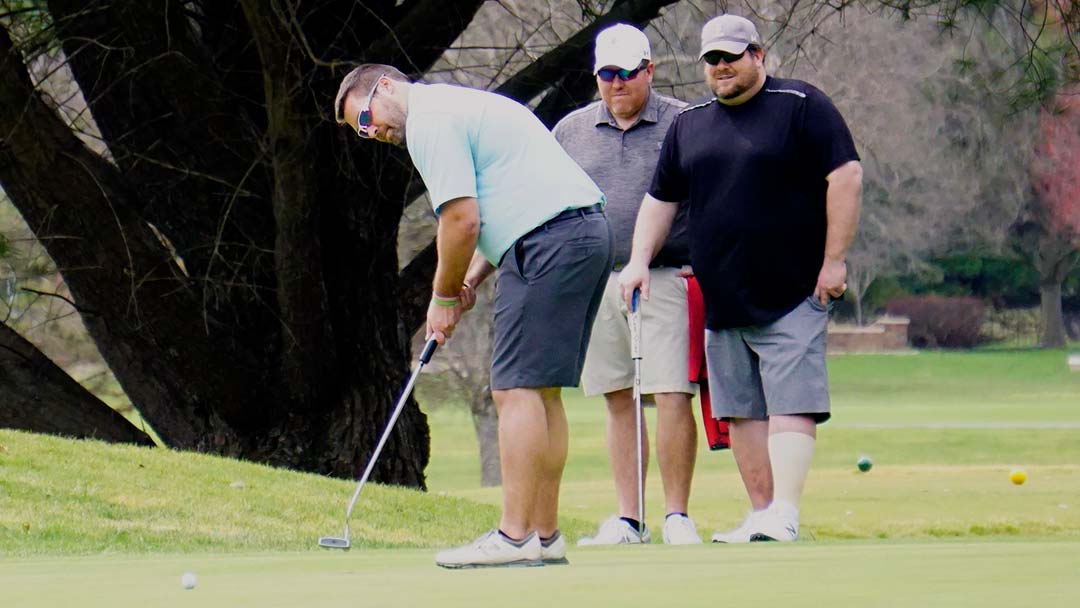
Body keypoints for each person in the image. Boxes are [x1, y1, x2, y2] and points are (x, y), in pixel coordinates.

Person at [334, 65, 613, 567]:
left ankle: (513, 537)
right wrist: (469, 281)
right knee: (541, 390)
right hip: (581, 233)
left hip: (551, 241)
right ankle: (545, 538)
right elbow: (506, 203)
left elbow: (462, 220)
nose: (374, 132)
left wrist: (441, 299)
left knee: (515, 388)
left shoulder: (428, 121)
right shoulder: (459, 106)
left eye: (369, 117)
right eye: (363, 130)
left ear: (388, 87)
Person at [617, 14, 863, 543]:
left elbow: (846, 176)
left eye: (732, 56)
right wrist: (639, 259)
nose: (722, 67)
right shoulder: (691, 124)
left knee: (791, 401)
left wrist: (834, 261)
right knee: (742, 409)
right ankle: (763, 513)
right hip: (722, 294)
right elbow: (661, 199)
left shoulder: (802, 106)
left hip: (794, 287)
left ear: (758, 55)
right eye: (713, 60)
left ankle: (786, 514)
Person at [551, 23, 702, 546]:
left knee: (671, 393)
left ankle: (677, 515)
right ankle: (629, 518)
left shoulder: (684, 122)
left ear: (649, 70)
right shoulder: (570, 130)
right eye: (606, 75)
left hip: (667, 276)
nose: (617, 84)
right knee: (618, 396)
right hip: (598, 282)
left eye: (627, 73)